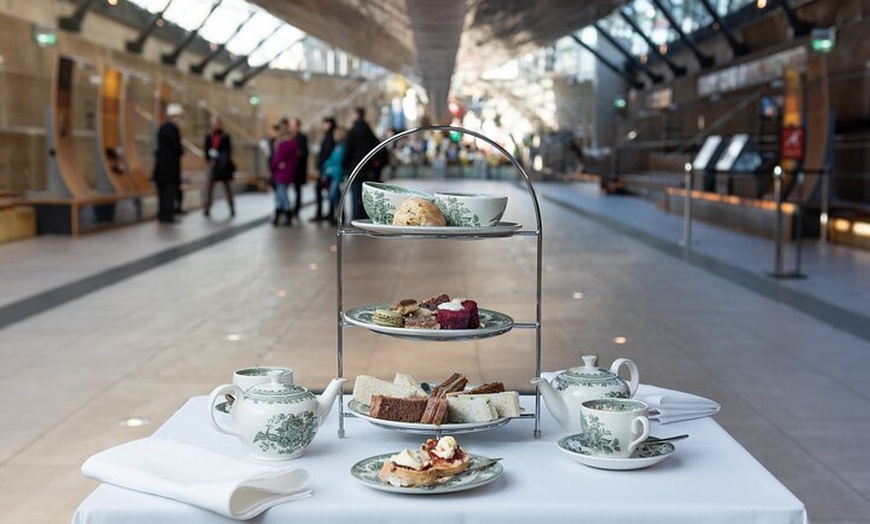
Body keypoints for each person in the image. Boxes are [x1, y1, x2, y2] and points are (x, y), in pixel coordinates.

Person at [342, 107, 386, 220]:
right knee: (366, 196)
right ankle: (366, 218)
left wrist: (345, 165)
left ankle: (356, 218)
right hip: (368, 169)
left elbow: (348, 150)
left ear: (357, 115)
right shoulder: (369, 131)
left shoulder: (352, 131)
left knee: (355, 195)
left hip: (355, 168)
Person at [152, 103, 184, 224]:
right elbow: (176, 147)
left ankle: (162, 214)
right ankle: (168, 214)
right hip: (170, 167)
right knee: (169, 192)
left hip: (161, 166)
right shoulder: (172, 129)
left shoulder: (162, 128)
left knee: (162, 192)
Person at [203, 115, 236, 218]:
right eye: (212, 123)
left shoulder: (225, 136)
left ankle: (231, 206)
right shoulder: (209, 136)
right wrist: (210, 159)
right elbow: (206, 150)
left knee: (227, 187)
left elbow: (228, 151)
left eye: (216, 123)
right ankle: (207, 207)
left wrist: (221, 158)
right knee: (209, 187)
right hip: (213, 165)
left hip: (223, 166)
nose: (214, 125)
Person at [269, 119, 299, 226]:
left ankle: (284, 211)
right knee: (282, 192)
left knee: (281, 193)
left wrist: (273, 168)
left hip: (280, 173)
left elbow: (276, 159)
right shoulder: (294, 144)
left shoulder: (282, 145)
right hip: (289, 172)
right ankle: (282, 212)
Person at [311, 117, 336, 222]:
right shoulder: (329, 137)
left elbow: (326, 155)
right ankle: (329, 213)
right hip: (327, 169)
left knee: (330, 192)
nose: (323, 126)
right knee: (330, 192)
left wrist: (321, 168)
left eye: (324, 124)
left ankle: (327, 213)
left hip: (327, 170)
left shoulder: (329, 138)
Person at [321, 126, 346, 225]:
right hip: (333, 173)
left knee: (333, 195)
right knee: (336, 196)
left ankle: (339, 215)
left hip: (337, 174)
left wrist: (327, 166)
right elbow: (331, 159)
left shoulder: (342, 147)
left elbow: (337, 160)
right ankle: (339, 215)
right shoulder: (337, 146)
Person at [287, 117, 308, 221]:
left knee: (297, 189)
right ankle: (287, 207)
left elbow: (304, 152)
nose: (291, 128)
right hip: (288, 169)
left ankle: (296, 209)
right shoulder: (288, 136)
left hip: (298, 169)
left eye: (293, 126)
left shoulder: (302, 137)